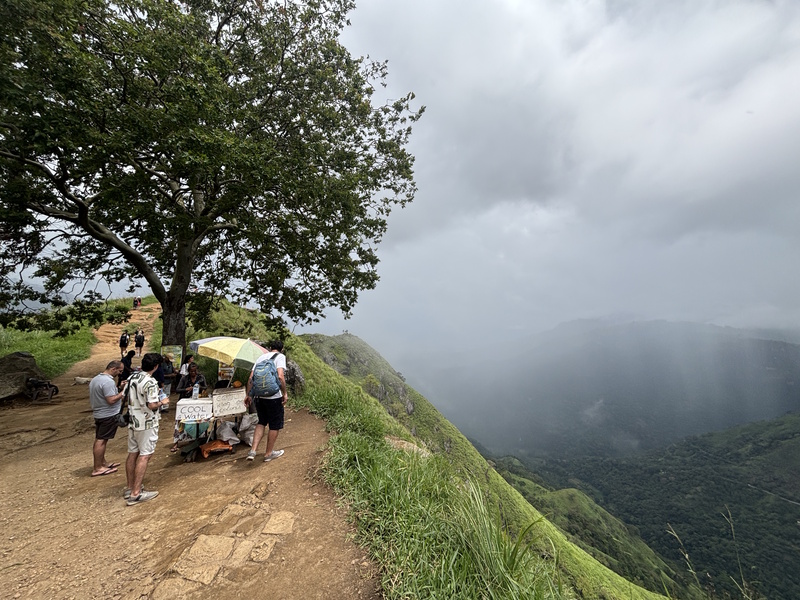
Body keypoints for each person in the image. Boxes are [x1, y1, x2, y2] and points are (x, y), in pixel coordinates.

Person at [124, 352, 168, 505]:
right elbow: (152, 404)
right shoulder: (150, 382)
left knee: (132, 453)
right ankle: (136, 493)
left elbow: (124, 395)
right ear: (156, 366)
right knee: (145, 455)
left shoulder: (132, 377)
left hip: (133, 421)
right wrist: (163, 402)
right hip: (147, 422)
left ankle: (130, 487)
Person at [245, 340, 287, 462]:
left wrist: (248, 395)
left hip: (259, 397)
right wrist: (284, 393)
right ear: (281, 349)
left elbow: (251, 378)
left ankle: (253, 451)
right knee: (274, 424)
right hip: (274, 397)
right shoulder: (280, 357)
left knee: (261, 422)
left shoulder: (261, 357)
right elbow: (280, 376)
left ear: (269, 348)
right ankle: (268, 453)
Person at [89, 360, 127, 477]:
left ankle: (102, 462)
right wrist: (124, 392)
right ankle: (98, 467)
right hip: (107, 415)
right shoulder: (107, 382)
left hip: (99, 413)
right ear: (113, 369)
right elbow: (111, 400)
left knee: (102, 439)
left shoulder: (96, 379)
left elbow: (106, 394)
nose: (120, 374)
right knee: (101, 440)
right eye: (119, 371)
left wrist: (119, 388)